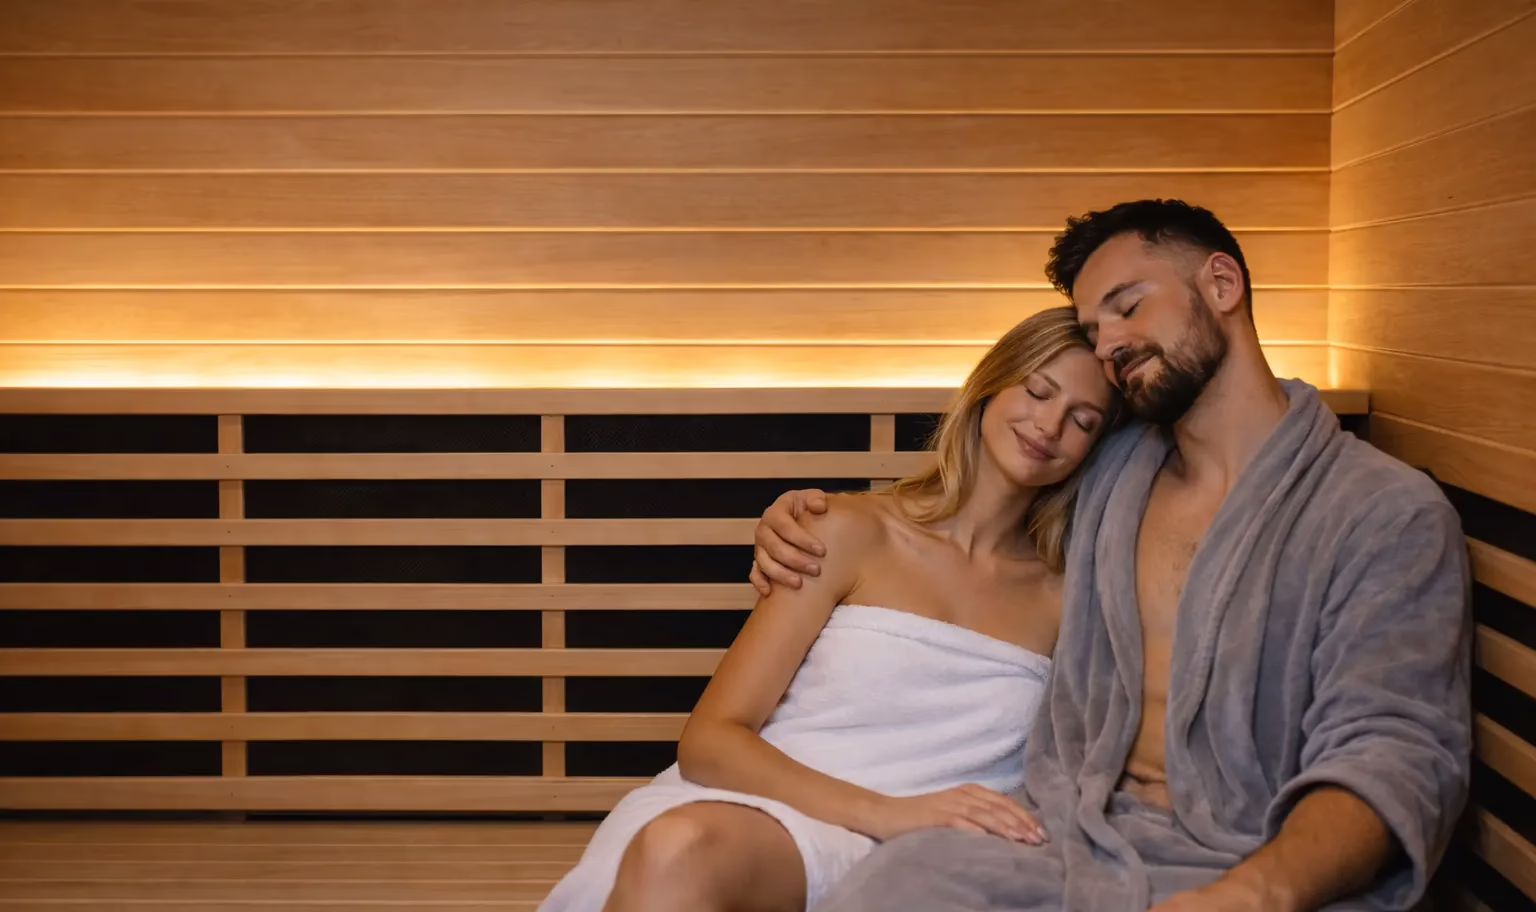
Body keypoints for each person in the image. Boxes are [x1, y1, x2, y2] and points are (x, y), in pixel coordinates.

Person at [749, 200, 1473, 912]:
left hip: (1254, 858)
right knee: (896, 884)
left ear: (1222, 284)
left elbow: (1396, 753)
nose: (1109, 345)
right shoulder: (1105, 474)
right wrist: (809, 520)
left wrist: (1254, 893)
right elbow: (971, 511)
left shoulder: (1380, 512)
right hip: (1073, 836)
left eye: (1129, 306)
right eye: (1095, 330)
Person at [538, 307, 1124, 912]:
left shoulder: (1071, 597)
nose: (1049, 425)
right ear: (990, 386)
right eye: (1037, 391)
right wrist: (888, 813)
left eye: (1082, 420)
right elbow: (711, 741)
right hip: (756, 807)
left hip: (928, 856)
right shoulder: (843, 531)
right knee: (677, 847)